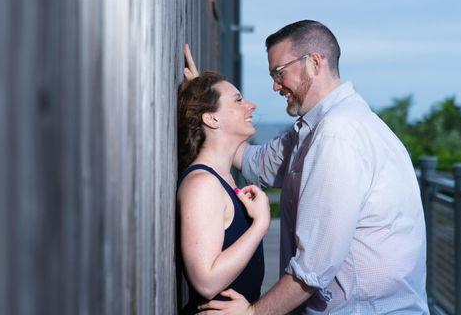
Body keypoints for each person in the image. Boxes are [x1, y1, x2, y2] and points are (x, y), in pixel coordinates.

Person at [184, 21, 429, 314]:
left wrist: (252, 313)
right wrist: (207, 106)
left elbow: (314, 266)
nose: (276, 86)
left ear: (314, 63)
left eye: (279, 73)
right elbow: (257, 162)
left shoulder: (338, 134)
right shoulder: (316, 129)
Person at [177, 70, 271, 314]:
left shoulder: (223, 177)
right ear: (212, 119)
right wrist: (260, 223)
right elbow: (206, 281)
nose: (251, 106)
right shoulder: (203, 185)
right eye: (238, 100)